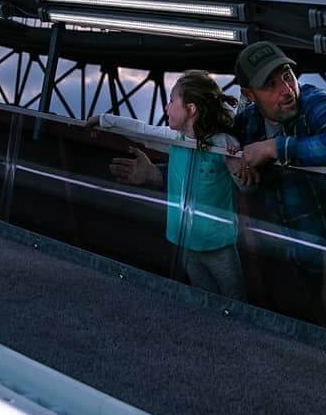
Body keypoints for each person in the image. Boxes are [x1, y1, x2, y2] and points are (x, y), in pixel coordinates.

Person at [232, 41, 326, 344]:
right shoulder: (247, 123)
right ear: (249, 95)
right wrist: (155, 173)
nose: (287, 90)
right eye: (271, 84)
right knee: (322, 322)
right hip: (303, 246)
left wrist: (273, 148)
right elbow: (209, 154)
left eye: (288, 76)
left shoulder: (317, 102)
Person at [88, 70, 249, 300]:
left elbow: (246, 187)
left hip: (219, 246)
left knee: (236, 301)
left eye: (172, 100)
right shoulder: (177, 140)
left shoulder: (224, 144)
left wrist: (238, 168)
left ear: (191, 109)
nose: (167, 106)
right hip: (187, 244)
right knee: (204, 300)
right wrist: (104, 120)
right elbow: (140, 131)